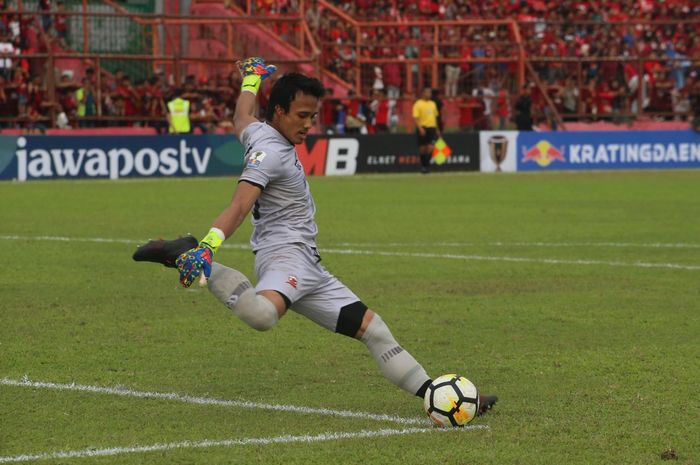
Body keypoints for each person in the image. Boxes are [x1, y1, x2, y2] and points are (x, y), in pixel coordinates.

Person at [132, 57, 497, 416]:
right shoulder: (269, 153)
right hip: (286, 257)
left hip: (309, 265)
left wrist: (250, 81)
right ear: (278, 112)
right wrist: (210, 246)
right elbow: (240, 205)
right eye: (302, 116)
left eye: (313, 116)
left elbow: (242, 117)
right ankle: (191, 254)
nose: (310, 125)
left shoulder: (260, 131)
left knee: (375, 330)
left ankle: (441, 397)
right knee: (262, 317)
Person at [412, 87, 441, 174]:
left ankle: (426, 166)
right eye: (428, 93)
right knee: (422, 149)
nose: (429, 95)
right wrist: (420, 128)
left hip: (432, 128)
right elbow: (415, 118)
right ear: (423, 93)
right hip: (423, 127)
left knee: (431, 147)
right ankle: (423, 167)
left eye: (430, 93)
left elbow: (435, 117)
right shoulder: (418, 104)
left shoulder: (433, 104)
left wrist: (437, 129)